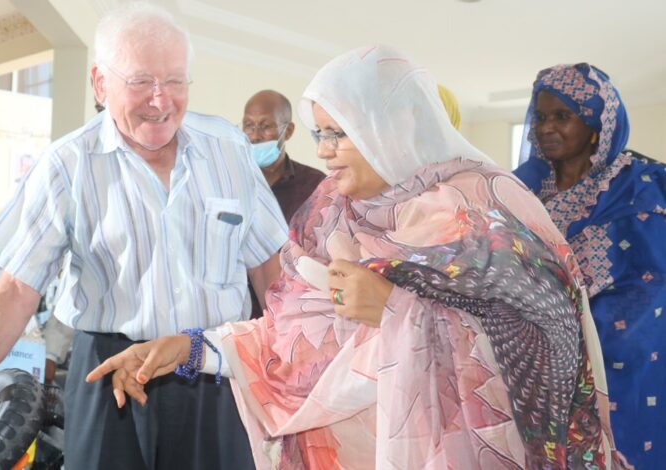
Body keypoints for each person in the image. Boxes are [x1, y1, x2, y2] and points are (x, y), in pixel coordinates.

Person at [88, 46, 615, 469]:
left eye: (339, 134)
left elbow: (553, 336)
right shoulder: (330, 216)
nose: (323, 150)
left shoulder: (480, 205)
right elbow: (290, 340)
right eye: (320, 133)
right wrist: (190, 348)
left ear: (392, 127)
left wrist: (397, 308)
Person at [0, 4, 287, 470]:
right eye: (140, 81)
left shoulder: (227, 149)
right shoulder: (67, 164)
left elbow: (271, 270)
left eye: (174, 81)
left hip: (212, 377)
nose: (160, 100)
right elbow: (17, 289)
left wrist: (289, 372)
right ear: (101, 83)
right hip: (108, 378)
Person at [513, 63, 666, 469]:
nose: (547, 128)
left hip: (625, 366)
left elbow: (652, 283)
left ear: (596, 125)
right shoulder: (519, 191)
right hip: (534, 364)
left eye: (562, 116)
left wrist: (584, 332)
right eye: (540, 116)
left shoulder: (642, 186)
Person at [241, 90, 325, 318]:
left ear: (288, 131)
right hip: (237, 314)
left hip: (292, 312)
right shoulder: (229, 182)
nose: (255, 136)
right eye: (248, 125)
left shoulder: (314, 185)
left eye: (265, 126)